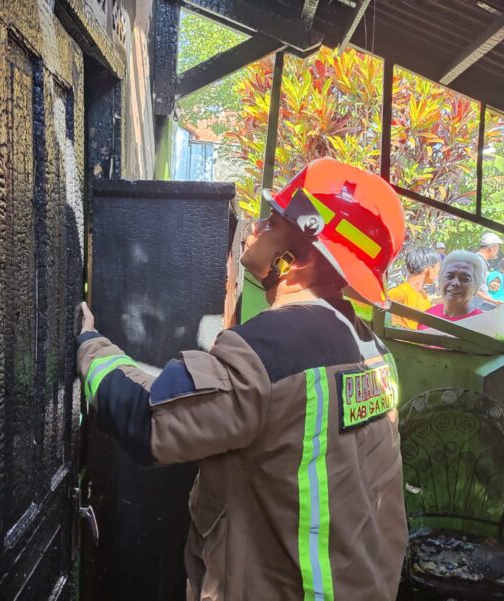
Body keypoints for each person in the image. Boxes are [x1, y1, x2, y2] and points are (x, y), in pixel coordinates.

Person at [76, 158, 408, 601]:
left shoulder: (276, 348)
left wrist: (88, 343)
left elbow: (147, 420)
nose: (255, 229)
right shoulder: (371, 351)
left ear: (301, 252)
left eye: (274, 221)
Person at [419, 250, 486, 328]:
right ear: (440, 281)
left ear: (476, 287)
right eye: (449, 276)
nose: (455, 283)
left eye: (464, 278)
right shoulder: (428, 317)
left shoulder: (482, 324)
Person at [388, 247, 440, 329]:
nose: (438, 274)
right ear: (429, 269)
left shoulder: (425, 297)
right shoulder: (398, 293)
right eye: (437, 269)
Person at [475, 232, 504, 307]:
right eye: (498, 247)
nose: (498, 250)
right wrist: (493, 301)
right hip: (476, 308)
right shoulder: (478, 262)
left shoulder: (479, 261)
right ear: (491, 248)